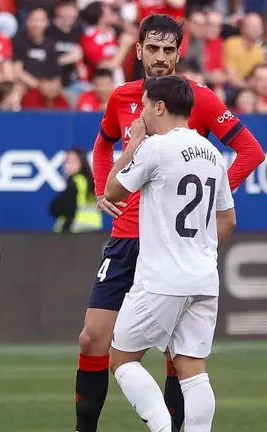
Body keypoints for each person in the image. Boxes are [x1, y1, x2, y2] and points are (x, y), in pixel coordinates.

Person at [74, 14, 265, 432]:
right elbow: (103, 141)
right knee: (93, 337)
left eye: (168, 50)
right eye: (152, 49)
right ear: (138, 49)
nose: (160, 59)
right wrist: (104, 193)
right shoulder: (122, 97)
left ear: (179, 52)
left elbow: (250, 151)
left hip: (173, 242)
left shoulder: (198, 99)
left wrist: (214, 197)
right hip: (128, 236)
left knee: (177, 357)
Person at [104, 75, 236, 432]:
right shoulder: (213, 154)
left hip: (161, 277)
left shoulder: (156, 147)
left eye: (145, 105)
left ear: (159, 107)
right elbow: (228, 219)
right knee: (193, 372)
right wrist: (202, 253)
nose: (142, 111)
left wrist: (131, 145)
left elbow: (112, 191)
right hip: (204, 277)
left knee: (122, 358)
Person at [49, 148, 102, 233]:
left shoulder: (75, 182)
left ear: (82, 163)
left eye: (72, 162)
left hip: (76, 230)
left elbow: (65, 207)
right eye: (66, 162)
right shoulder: (90, 182)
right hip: (93, 229)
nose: (68, 166)